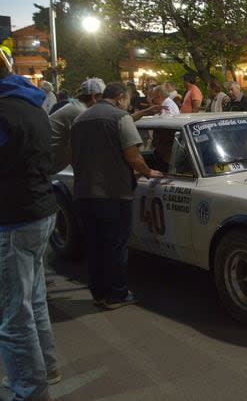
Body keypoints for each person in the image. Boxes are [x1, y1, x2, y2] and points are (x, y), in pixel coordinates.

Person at [0, 50, 61, 401]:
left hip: (14, 219)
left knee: (13, 314)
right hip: (40, 211)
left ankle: (29, 389)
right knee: (33, 300)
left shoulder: (3, 111)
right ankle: (46, 367)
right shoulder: (32, 104)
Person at [71, 82, 163, 310]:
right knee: (115, 246)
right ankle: (116, 295)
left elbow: (73, 156)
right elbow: (132, 156)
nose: (128, 105)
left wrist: (142, 113)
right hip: (113, 193)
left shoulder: (80, 120)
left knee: (94, 246)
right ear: (121, 98)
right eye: (128, 101)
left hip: (84, 193)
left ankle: (99, 294)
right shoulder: (120, 117)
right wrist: (148, 171)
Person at [49, 77, 107, 173]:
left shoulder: (77, 106)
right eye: (103, 98)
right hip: (48, 161)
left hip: (49, 159)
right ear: (94, 97)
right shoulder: (81, 112)